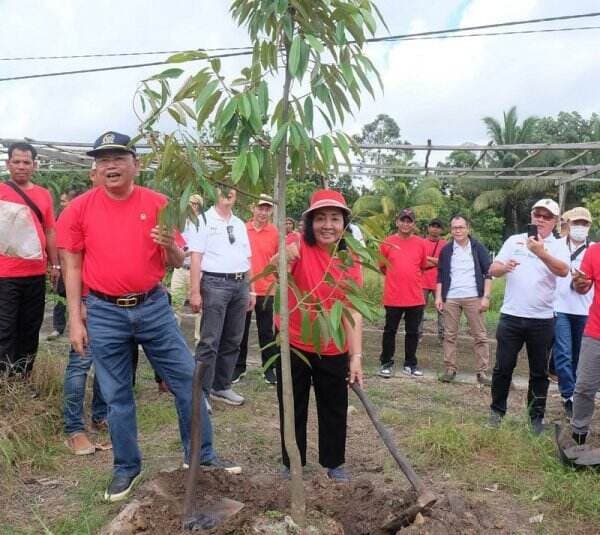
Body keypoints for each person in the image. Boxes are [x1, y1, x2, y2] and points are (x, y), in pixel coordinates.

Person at [58, 131, 239, 502]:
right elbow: (71, 265)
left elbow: (177, 260)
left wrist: (167, 244)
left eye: (118, 158)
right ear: (97, 167)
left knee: (188, 380)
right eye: (103, 159)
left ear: (135, 165)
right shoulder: (79, 208)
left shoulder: (158, 203)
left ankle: (201, 459)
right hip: (105, 311)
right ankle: (126, 467)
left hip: (153, 307)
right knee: (116, 394)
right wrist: (76, 318)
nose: (111, 165)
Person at [275, 189, 363, 481]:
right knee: (292, 405)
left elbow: (352, 309)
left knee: (334, 407)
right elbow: (276, 267)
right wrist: (283, 259)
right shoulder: (297, 243)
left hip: (332, 345)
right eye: (320, 218)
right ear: (310, 222)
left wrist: (356, 356)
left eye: (335, 218)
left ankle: (334, 462)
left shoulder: (350, 258)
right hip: (295, 342)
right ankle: (292, 462)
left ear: (344, 223)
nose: (328, 225)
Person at [488, 199, 568, 434]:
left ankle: (535, 419)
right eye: (537, 215)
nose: (541, 219)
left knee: (539, 372)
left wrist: (541, 252)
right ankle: (496, 412)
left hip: (542, 319)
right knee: (503, 367)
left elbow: (563, 271)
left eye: (547, 216)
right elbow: (493, 269)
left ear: (554, 221)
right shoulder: (515, 240)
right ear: (532, 216)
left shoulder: (559, 245)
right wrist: (504, 268)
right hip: (511, 316)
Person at [189, 187, 255, 406]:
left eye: (232, 189)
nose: (228, 192)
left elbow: (247, 256)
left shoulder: (238, 223)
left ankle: (221, 385)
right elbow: (196, 258)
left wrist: (251, 288)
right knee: (210, 340)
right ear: (213, 192)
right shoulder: (204, 221)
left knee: (234, 338)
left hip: (240, 283)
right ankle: (201, 392)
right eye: (222, 188)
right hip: (215, 283)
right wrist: (195, 291)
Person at [0, 142, 59, 377]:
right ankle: (4, 382)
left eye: (27, 162)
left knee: (30, 328)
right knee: (5, 328)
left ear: (34, 165)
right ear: (8, 164)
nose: (22, 167)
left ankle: (23, 377)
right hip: (5, 275)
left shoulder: (43, 195)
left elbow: (50, 231)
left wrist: (55, 264)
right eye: (17, 162)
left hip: (35, 274)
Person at [435, 216, 492, 384]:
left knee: (480, 335)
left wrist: (486, 297)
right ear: (451, 230)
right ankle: (450, 368)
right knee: (449, 335)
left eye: (461, 227)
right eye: (454, 228)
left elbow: (488, 273)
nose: (457, 231)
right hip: (451, 297)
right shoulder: (446, 250)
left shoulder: (478, 248)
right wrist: (439, 296)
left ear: (468, 228)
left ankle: (482, 372)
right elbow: (440, 275)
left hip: (474, 296)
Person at [232, 194, 279, 385]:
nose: (263, 212)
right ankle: (238, 368)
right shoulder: (242, 229)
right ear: (253, 208)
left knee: (267, 331)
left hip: (267, 290)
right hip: (244, 288)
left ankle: (269, 369)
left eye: (267, 208)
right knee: (240, 330)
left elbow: (278, 260)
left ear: (271, 211)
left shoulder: (275, 232)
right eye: (260, 208)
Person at [553, 207, 594, 419]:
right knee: (563, 354)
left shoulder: (594, 249)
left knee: (579, 356)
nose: (580, 227)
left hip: (585, 310)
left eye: (584, 223)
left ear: (590, 226)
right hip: (560, 308)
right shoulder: (555, 246)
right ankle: (568, 396)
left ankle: (577, 394)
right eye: (576, 222)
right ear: (567, 224)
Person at [378, 208, 428, 378]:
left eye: (409, 221)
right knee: (390, 331)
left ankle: (410, 363)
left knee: (413, 332)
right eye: (403, 220)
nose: (406, 224)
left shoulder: (421, 243)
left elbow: (421, 266)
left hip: (415, 297)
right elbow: (382, 266)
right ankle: (386, 362)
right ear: (397, 222)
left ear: (413, 224)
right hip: (393, 296)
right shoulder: (387, 242)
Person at [569, 236, 600, 445]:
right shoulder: (594, 251)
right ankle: (578, 436)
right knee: (584, 386)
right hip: (596, 331)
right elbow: (581, 286)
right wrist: (579, 283)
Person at [170, 193, 203, 344]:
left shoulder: (204, 224)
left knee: (200, 306)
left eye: (196, 204)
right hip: (180, 268)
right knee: (176, 303)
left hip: (197, 269)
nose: (192, 206)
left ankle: (199, 339)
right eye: (190, 203)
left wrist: (190, 251)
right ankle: (174, 338)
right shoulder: (180, 223)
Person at [48, 190, 80, 340]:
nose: (61, 204)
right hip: (63, 264)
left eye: (64, 201)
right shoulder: (60, 217)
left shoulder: (80, 217)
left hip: (77, 264)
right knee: (61, 296)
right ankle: (58, 328)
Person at [420, 218, 446, 341]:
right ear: (428, 228)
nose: (435, 228)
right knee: (419, 309)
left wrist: (429, 258)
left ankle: (443, 336)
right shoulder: (421, 243)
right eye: (432, 226)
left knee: (442, 310)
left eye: (437, 226)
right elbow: (419, 261)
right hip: (422, 281)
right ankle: (418, 334)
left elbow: (445, 261)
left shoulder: (445, 244)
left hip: (439, 282)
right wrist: (437, 261)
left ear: (441, 230)